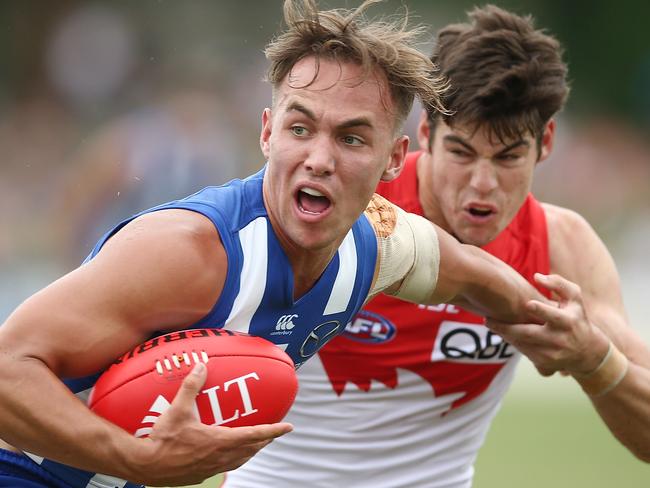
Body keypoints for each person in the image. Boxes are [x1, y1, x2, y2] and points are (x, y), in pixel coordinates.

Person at [0, 1, 552, 488]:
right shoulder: (191, 252)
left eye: (351, 137)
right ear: (267, 132)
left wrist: (546, 324)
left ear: (395, 158)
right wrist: (138, 460)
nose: (319, 158)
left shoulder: (377, 246)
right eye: (300, 128)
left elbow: (471, 276)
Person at [224, 5, 650, 488]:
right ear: (425, 133)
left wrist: (594, 360)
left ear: (545, 143)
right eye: (461, 153)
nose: (482, 185)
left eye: (508, 157)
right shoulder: (332, 210)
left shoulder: (558, 245)